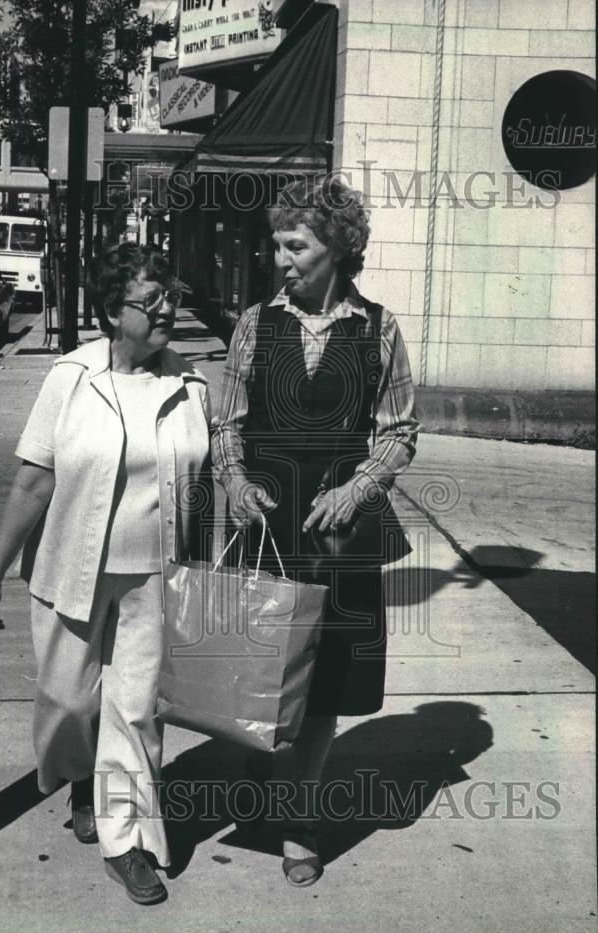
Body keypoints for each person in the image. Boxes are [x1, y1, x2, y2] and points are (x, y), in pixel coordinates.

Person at [0, 243, 211, 905]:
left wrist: (202, 570)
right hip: (70, 568)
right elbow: (33, 479)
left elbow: (206, 485)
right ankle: (80, 776)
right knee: (69, 702)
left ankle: (126, 840)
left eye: (170, 298)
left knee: (134, 712)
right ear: (113, 311)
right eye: (150, 302)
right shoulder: (71, 378)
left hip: (153, 578)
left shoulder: (190, 384)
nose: (167, 311)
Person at [211, 175, 419, 887]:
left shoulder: (378, 329)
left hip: (338, 532)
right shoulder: (253, 324)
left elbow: (398, 433)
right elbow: (227, 424)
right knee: (264, 671)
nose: (280, 258)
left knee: (325, 683)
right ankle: (271, 766)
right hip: (267, 526)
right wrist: (234, 482)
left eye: (293, 244)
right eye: (275, 243)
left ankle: (297, 818)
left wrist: (359, 486)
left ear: (335, 247)